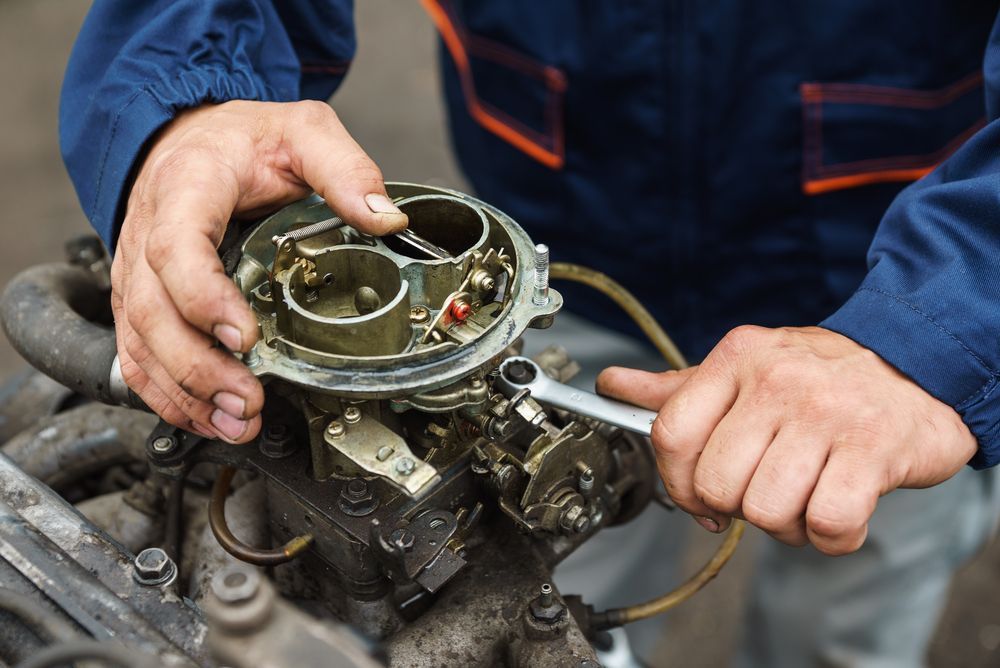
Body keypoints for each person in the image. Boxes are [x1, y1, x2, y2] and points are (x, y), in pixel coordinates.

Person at [59, 1, 1000, 664]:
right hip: (569, 246)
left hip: (882, 322)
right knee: (565, 562)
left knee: (845, 605)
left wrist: (942, 328)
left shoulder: (917, 337)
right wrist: (184, 101)